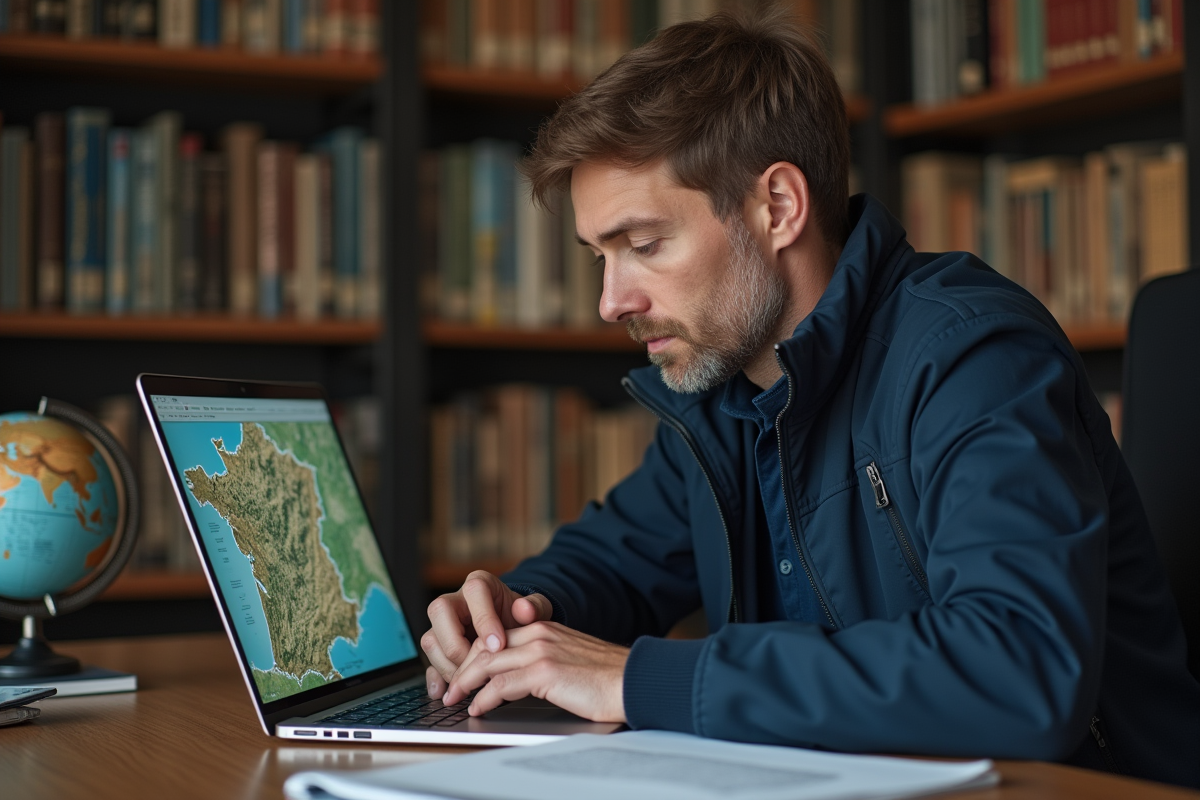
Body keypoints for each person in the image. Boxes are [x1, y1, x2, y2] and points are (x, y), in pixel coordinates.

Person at [420, 8, 1200, 788]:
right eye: (600, 256)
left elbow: (1018, 667)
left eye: (645, 245)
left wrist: (634, 680)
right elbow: (617, 563)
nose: (610, 301)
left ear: (780, 208)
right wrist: (509, 614)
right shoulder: (724, 389)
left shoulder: (970, 354)